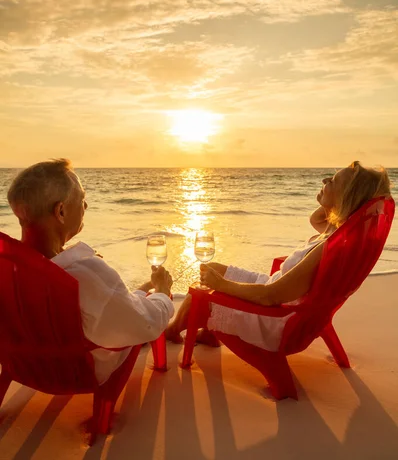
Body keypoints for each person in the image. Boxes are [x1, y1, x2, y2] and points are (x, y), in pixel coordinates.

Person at [166, 161, 391, 350]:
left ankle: (172, 330)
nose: (324, 181)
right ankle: (209, 332)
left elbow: (270, 296)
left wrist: (221, 285)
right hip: (287, 307)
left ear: (347, 198)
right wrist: (335, 202)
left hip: (274, 322)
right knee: (214, 267)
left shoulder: (327, 249)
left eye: (331, 181)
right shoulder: (338, 237)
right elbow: (316, 220)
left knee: (202, 291)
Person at [7, 158, 174, 385]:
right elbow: (146, 324)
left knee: (132, 298)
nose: (85, 207)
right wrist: (163, 292)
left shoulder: (8, 269)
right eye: (82, 200)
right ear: (61, 211)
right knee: (144, 308)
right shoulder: (83, 275)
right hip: (76, 375)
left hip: (22, 368)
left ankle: (140, 292)